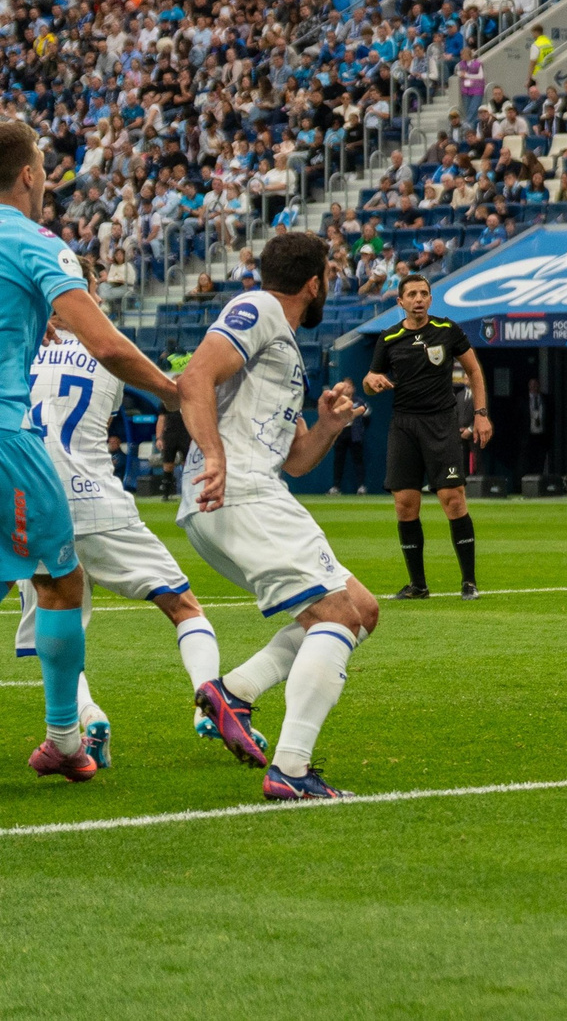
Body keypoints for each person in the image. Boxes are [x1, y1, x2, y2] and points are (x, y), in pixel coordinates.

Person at [180, 231, 379, 800]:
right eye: (330, 277)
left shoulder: (283, 343)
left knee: (362, 609)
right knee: (338, 615)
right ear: (314, 283)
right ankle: (290, 769)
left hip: (247, 490)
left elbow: (296, 460)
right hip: (237, 490)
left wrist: (328, 428)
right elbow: (194, 377)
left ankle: (233, 693)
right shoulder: (259, 307)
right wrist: (216, 457)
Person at [10, 252, 197, 776]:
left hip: (27, 490)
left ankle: (77, 725)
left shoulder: (23, 344)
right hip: (98, 496)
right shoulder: (108, 354)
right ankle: (218, 697)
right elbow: (111, 361)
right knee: (178, 603)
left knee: (51, 605)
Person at [364, 275, 488, 599]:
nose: (418, 299)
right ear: (400, 302)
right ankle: (418, 585)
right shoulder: (389, 338)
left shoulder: (448, 330)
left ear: (430, 299)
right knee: (405, 504)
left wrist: (481, 414)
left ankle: (469, 582)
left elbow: (474, 371)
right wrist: (371, 380)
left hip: (441, 424)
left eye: (424, 293)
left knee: (453, 498)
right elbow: (370, 380)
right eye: (412, 294)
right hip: (404, 426)